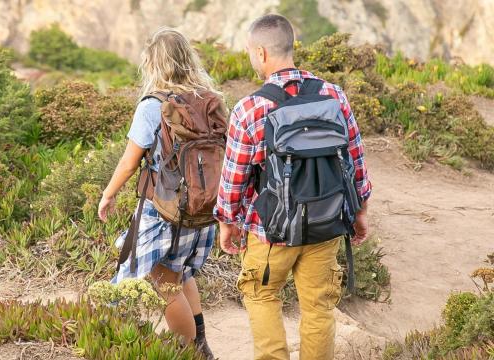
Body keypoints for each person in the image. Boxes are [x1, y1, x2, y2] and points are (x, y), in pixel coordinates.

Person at [214, 14, 372, 360]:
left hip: (272, 230)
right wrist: (359, 213)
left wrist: (228, 223)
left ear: (261, 53)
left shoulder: (249, 109)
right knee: (318, 307)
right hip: (327, 222)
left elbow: (234, 180)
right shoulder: (334, 95)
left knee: (261, 295)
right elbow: (355, 162)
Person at [98, 27, 225, 359]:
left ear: (152, 64)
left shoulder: (154, 104)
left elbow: (129, 161)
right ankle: (202, 346)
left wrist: (108, 194)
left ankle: (188, 353)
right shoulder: (209, 98)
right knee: (179, 272)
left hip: (166, 207)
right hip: (204, 205)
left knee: (163, 282)